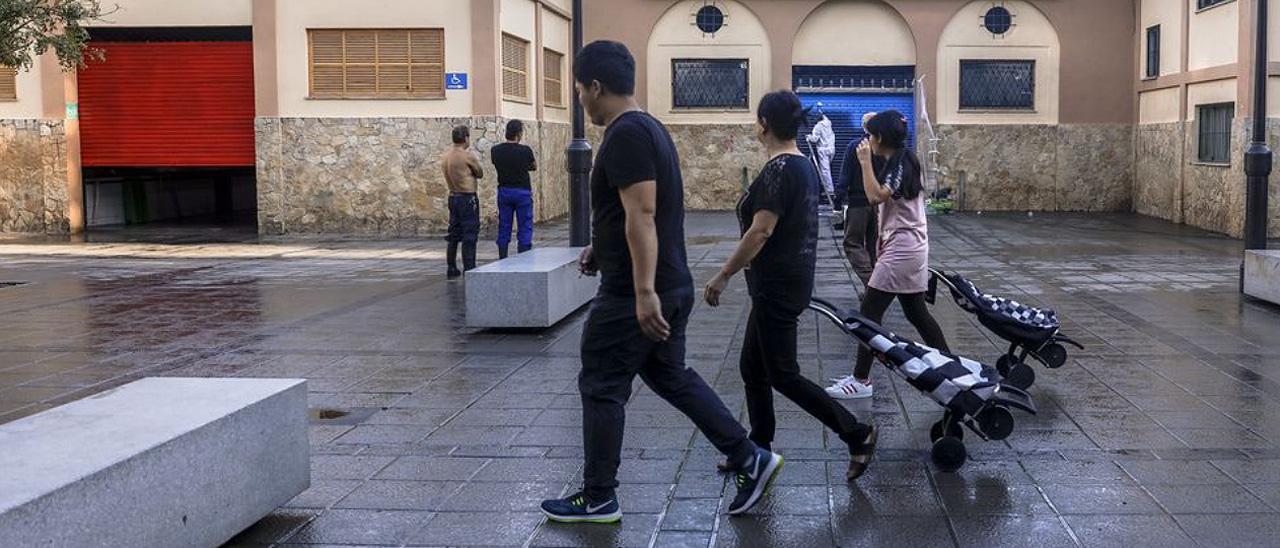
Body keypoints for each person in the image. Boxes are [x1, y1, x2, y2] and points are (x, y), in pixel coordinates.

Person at [539, 40, 782, 524]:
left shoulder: (625, 135)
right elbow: (634, 212)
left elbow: (644, 213)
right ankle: (748, 455)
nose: (580, 102)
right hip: (667, 282)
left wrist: (643, 291)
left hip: (637, 292)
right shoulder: (649, 127)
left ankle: (599, 496)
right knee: (670, 376)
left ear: (595, 86)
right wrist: (601, 248)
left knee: (602, 384)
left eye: (579, 91)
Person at [704, 90, 879, 482]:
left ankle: (857, 433)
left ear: (763, 124)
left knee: (782, 374)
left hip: (776, 285)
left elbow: (760, 231)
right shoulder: (803, 166)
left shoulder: (779, 169)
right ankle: (757, 449)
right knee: (752, 367)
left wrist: (723, 274)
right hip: (786, 281)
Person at [826, 111, 951, 400]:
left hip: (902, 251)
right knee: (917, 314)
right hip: (909, 248)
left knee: (868, 316)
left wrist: (865, 162)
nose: (867, 140)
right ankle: (949, 367)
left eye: (870, 135)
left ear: (880, 138)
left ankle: (860, 380)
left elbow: (874, 196)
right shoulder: (902, 160)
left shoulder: (900, 163)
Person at [840, 111, 882, 287]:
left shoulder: (855, 146)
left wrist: (839, 198)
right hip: (879, 203)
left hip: (858, 202)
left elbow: (845, 174)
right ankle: (873, 287)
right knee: (873, 245)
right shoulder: (884, 147)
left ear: (864, 126)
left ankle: (871, 282)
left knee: (852, 243)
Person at [491, 119, 538, 258]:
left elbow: (496, 163)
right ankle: (523, 256)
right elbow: (533, 166)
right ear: (518, 134)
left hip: (504, 191)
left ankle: (502, 256)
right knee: (525, 226)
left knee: (504, 225)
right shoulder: (525, 151)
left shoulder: (496, 151)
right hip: (522, 191)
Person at [441, 125, 483, 278]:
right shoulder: (467, 156)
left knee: (453, 233)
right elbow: (479, 173)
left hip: (453, 196)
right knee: (469, 234)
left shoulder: (446, 156)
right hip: (467, 197)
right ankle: (469, 268)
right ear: (465, 137)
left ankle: (451, 266)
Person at [805, 105, 836, 205]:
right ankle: (827, 190)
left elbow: (815, 139)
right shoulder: (828, 122)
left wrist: (808, 137)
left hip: (823, 150)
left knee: (825, 171)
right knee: (828, 170)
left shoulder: (818, 126)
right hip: (831, 149)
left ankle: (829, 192)